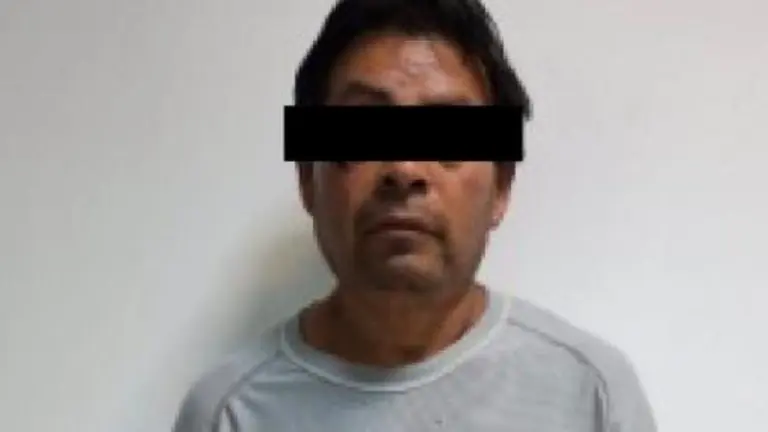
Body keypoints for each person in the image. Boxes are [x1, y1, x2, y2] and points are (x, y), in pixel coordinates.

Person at [173, 0, 657, 431]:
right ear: (306, 179)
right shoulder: (227, 414)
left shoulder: (591, 398)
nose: (404, 169)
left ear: (501, 187)